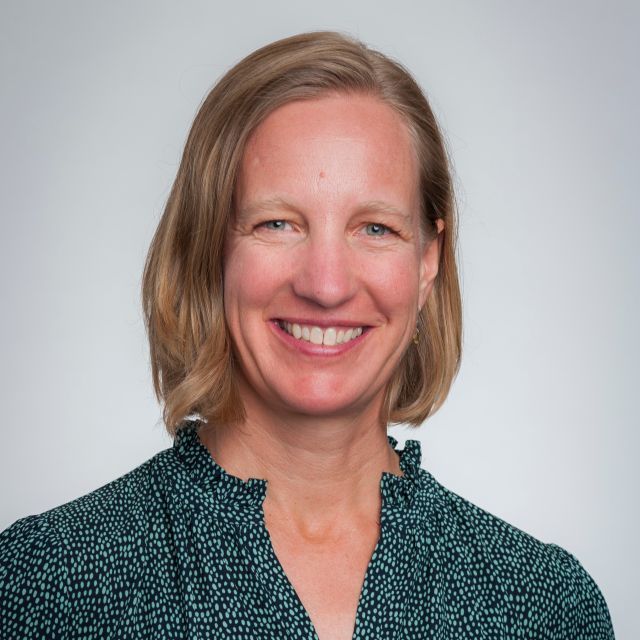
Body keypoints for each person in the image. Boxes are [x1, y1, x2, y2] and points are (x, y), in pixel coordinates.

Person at [0, 31, 615, 640]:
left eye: (374, 228)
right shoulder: (37, 584)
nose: (326, 285)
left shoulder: (546, 605)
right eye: (277, 223)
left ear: (428, 261)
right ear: (208, 248)